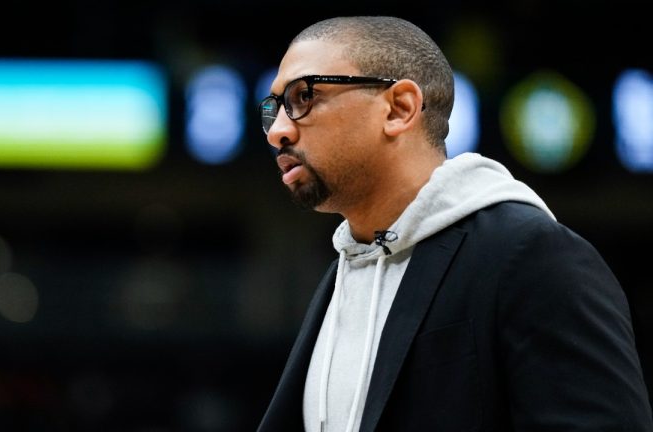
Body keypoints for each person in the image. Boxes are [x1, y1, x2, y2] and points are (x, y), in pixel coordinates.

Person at [255, 15, 653, 432]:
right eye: (273, 108)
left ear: (399, 108)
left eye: (303, 96)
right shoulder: (346, 270)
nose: (277, 131)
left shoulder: (534, 255)